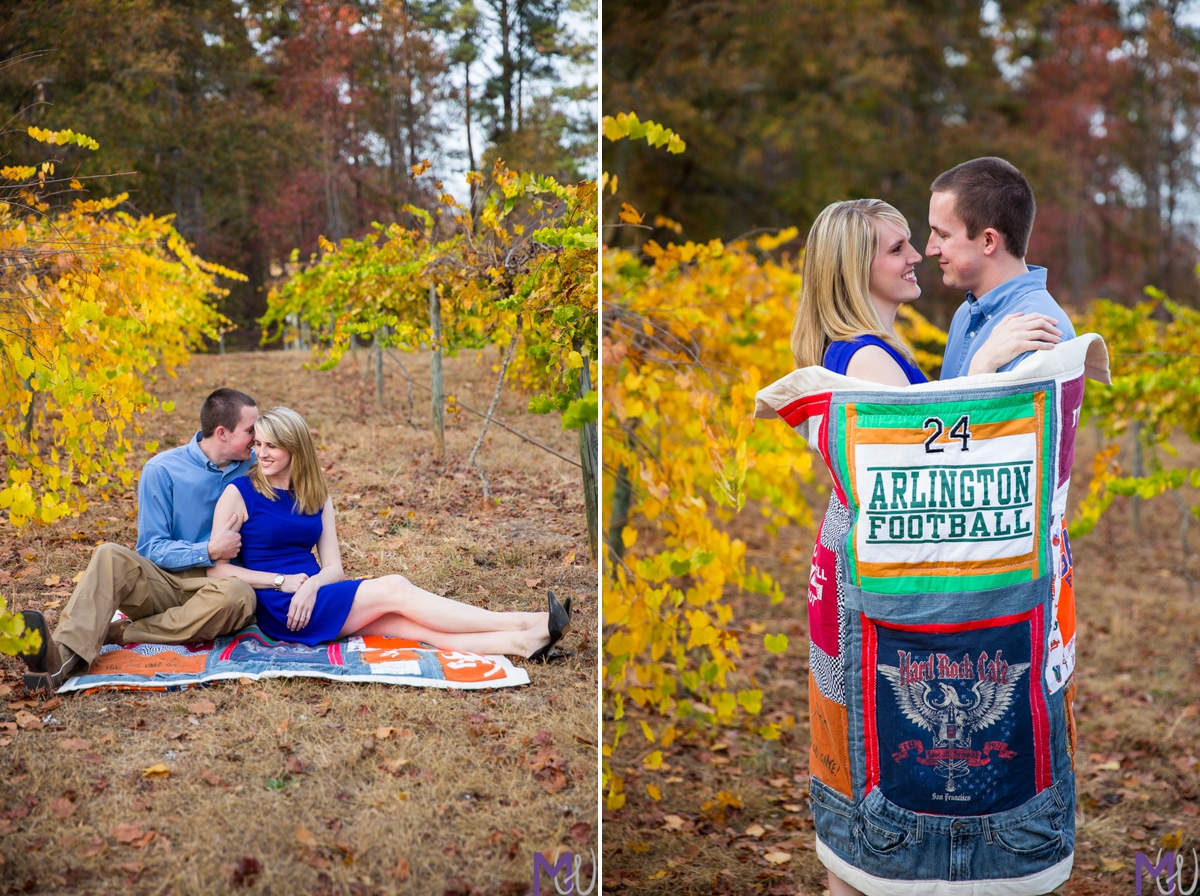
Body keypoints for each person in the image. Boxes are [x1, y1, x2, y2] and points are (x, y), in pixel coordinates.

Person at [791, 198, 1070, 896]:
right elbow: (933, 464)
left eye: (916, 242)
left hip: (850, 572)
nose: (916, 256)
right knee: (866, 813)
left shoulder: (868, 351)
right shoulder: (868, 359)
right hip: (876, 588)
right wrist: (991, 360)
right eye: (897, 248)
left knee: (854, 825)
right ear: (857, 268)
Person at [206, 406, 569, 660]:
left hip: (317, 592)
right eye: (257, 445)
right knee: (395, 587)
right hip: (283, 605)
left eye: (271, 445)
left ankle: (523, 644)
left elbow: (334, 567)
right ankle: (528, 620)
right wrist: (280, 582)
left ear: (295, 447)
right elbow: (217, 570)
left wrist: (314, 585)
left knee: (412, 627)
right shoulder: (239, 493)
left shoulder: (316, 494)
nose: (261, 453)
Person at [18, 388, 260, 692]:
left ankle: (121, 633)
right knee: (109, 554)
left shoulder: (256, 468)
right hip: (164, 584)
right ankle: (61, 661)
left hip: (220, 589)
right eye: (251, 430)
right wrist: (208, 550)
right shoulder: (162, 470)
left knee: (238, 595)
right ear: (222, 433)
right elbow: (152, 548)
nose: (257, 437)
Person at [928, 156, 1075, 379]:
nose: (930, 249)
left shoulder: (1040, 331)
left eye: (942, 235)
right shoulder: (965, 315)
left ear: (988, 241)